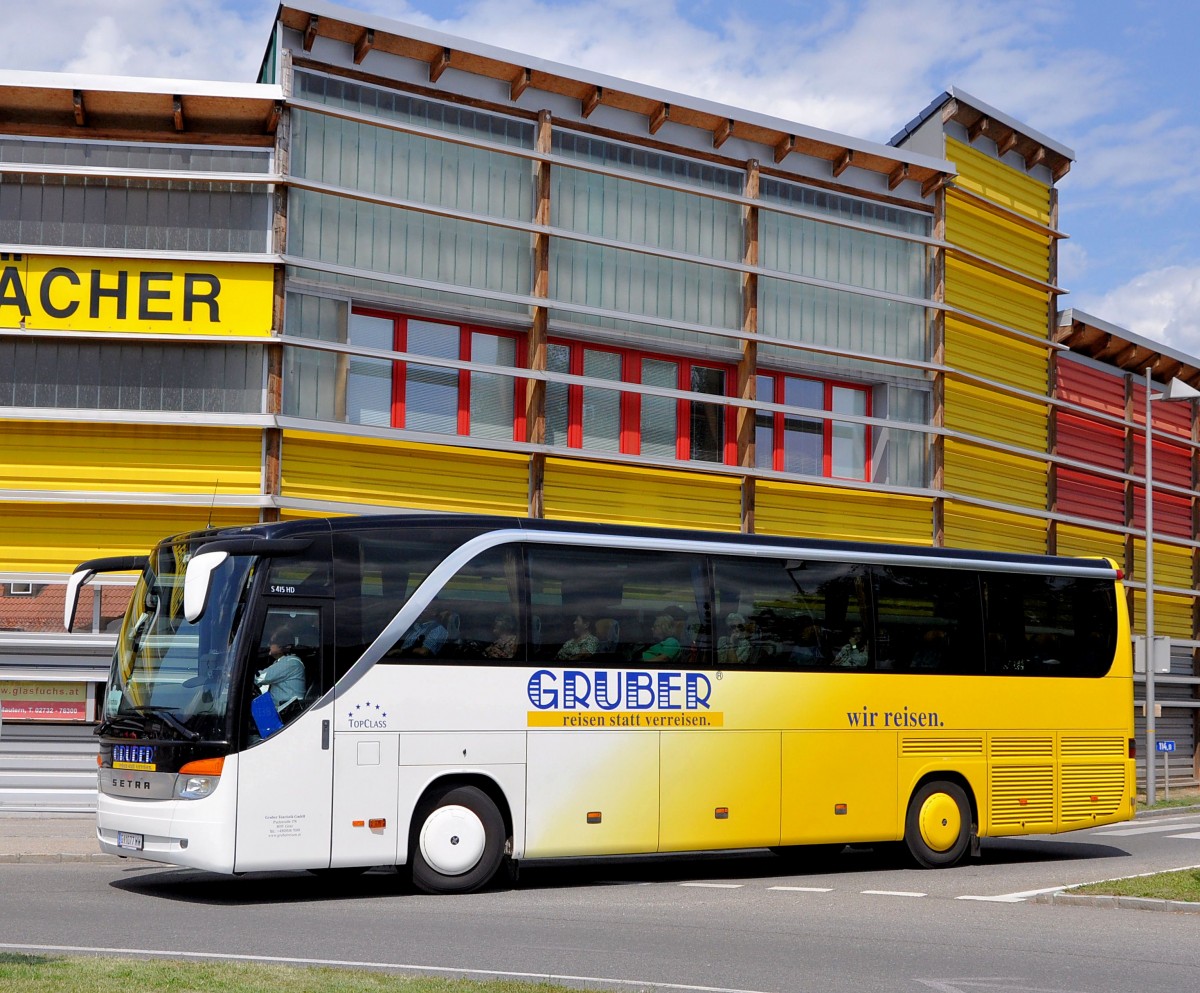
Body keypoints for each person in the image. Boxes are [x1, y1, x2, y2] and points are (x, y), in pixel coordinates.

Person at [255, 626, 307, 709]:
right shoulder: (283, 662)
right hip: (280, 709)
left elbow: (261, 678)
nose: (268, 645)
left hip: (287, 713)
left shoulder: (290, 663)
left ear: (281, 645)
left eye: (271, 642)